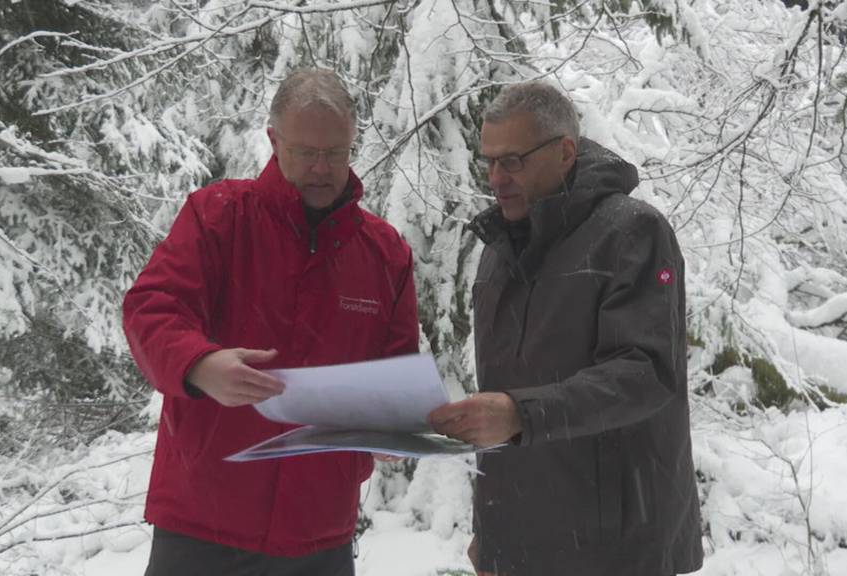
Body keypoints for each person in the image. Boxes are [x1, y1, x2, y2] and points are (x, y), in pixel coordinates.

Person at [123, 68, 419, 576]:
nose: (322, 169)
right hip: (202, 519)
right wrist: (201, 364)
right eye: (306, 152)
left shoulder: (384, 252)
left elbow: (395, 371)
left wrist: (394, 427)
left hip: (318, 528)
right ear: (273, 139)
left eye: (337, 153)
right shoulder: (217, 217)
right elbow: (150, 309)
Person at [429, 81, 703, 576]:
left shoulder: (633, 233)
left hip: (613, 549)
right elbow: (504, 402)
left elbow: (645, 373)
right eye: (488, 161)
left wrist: (521, 413)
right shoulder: (498, 250)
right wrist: (492, 532)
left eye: (512, 161)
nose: (496, 177)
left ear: (565, 151)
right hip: (521, 544)